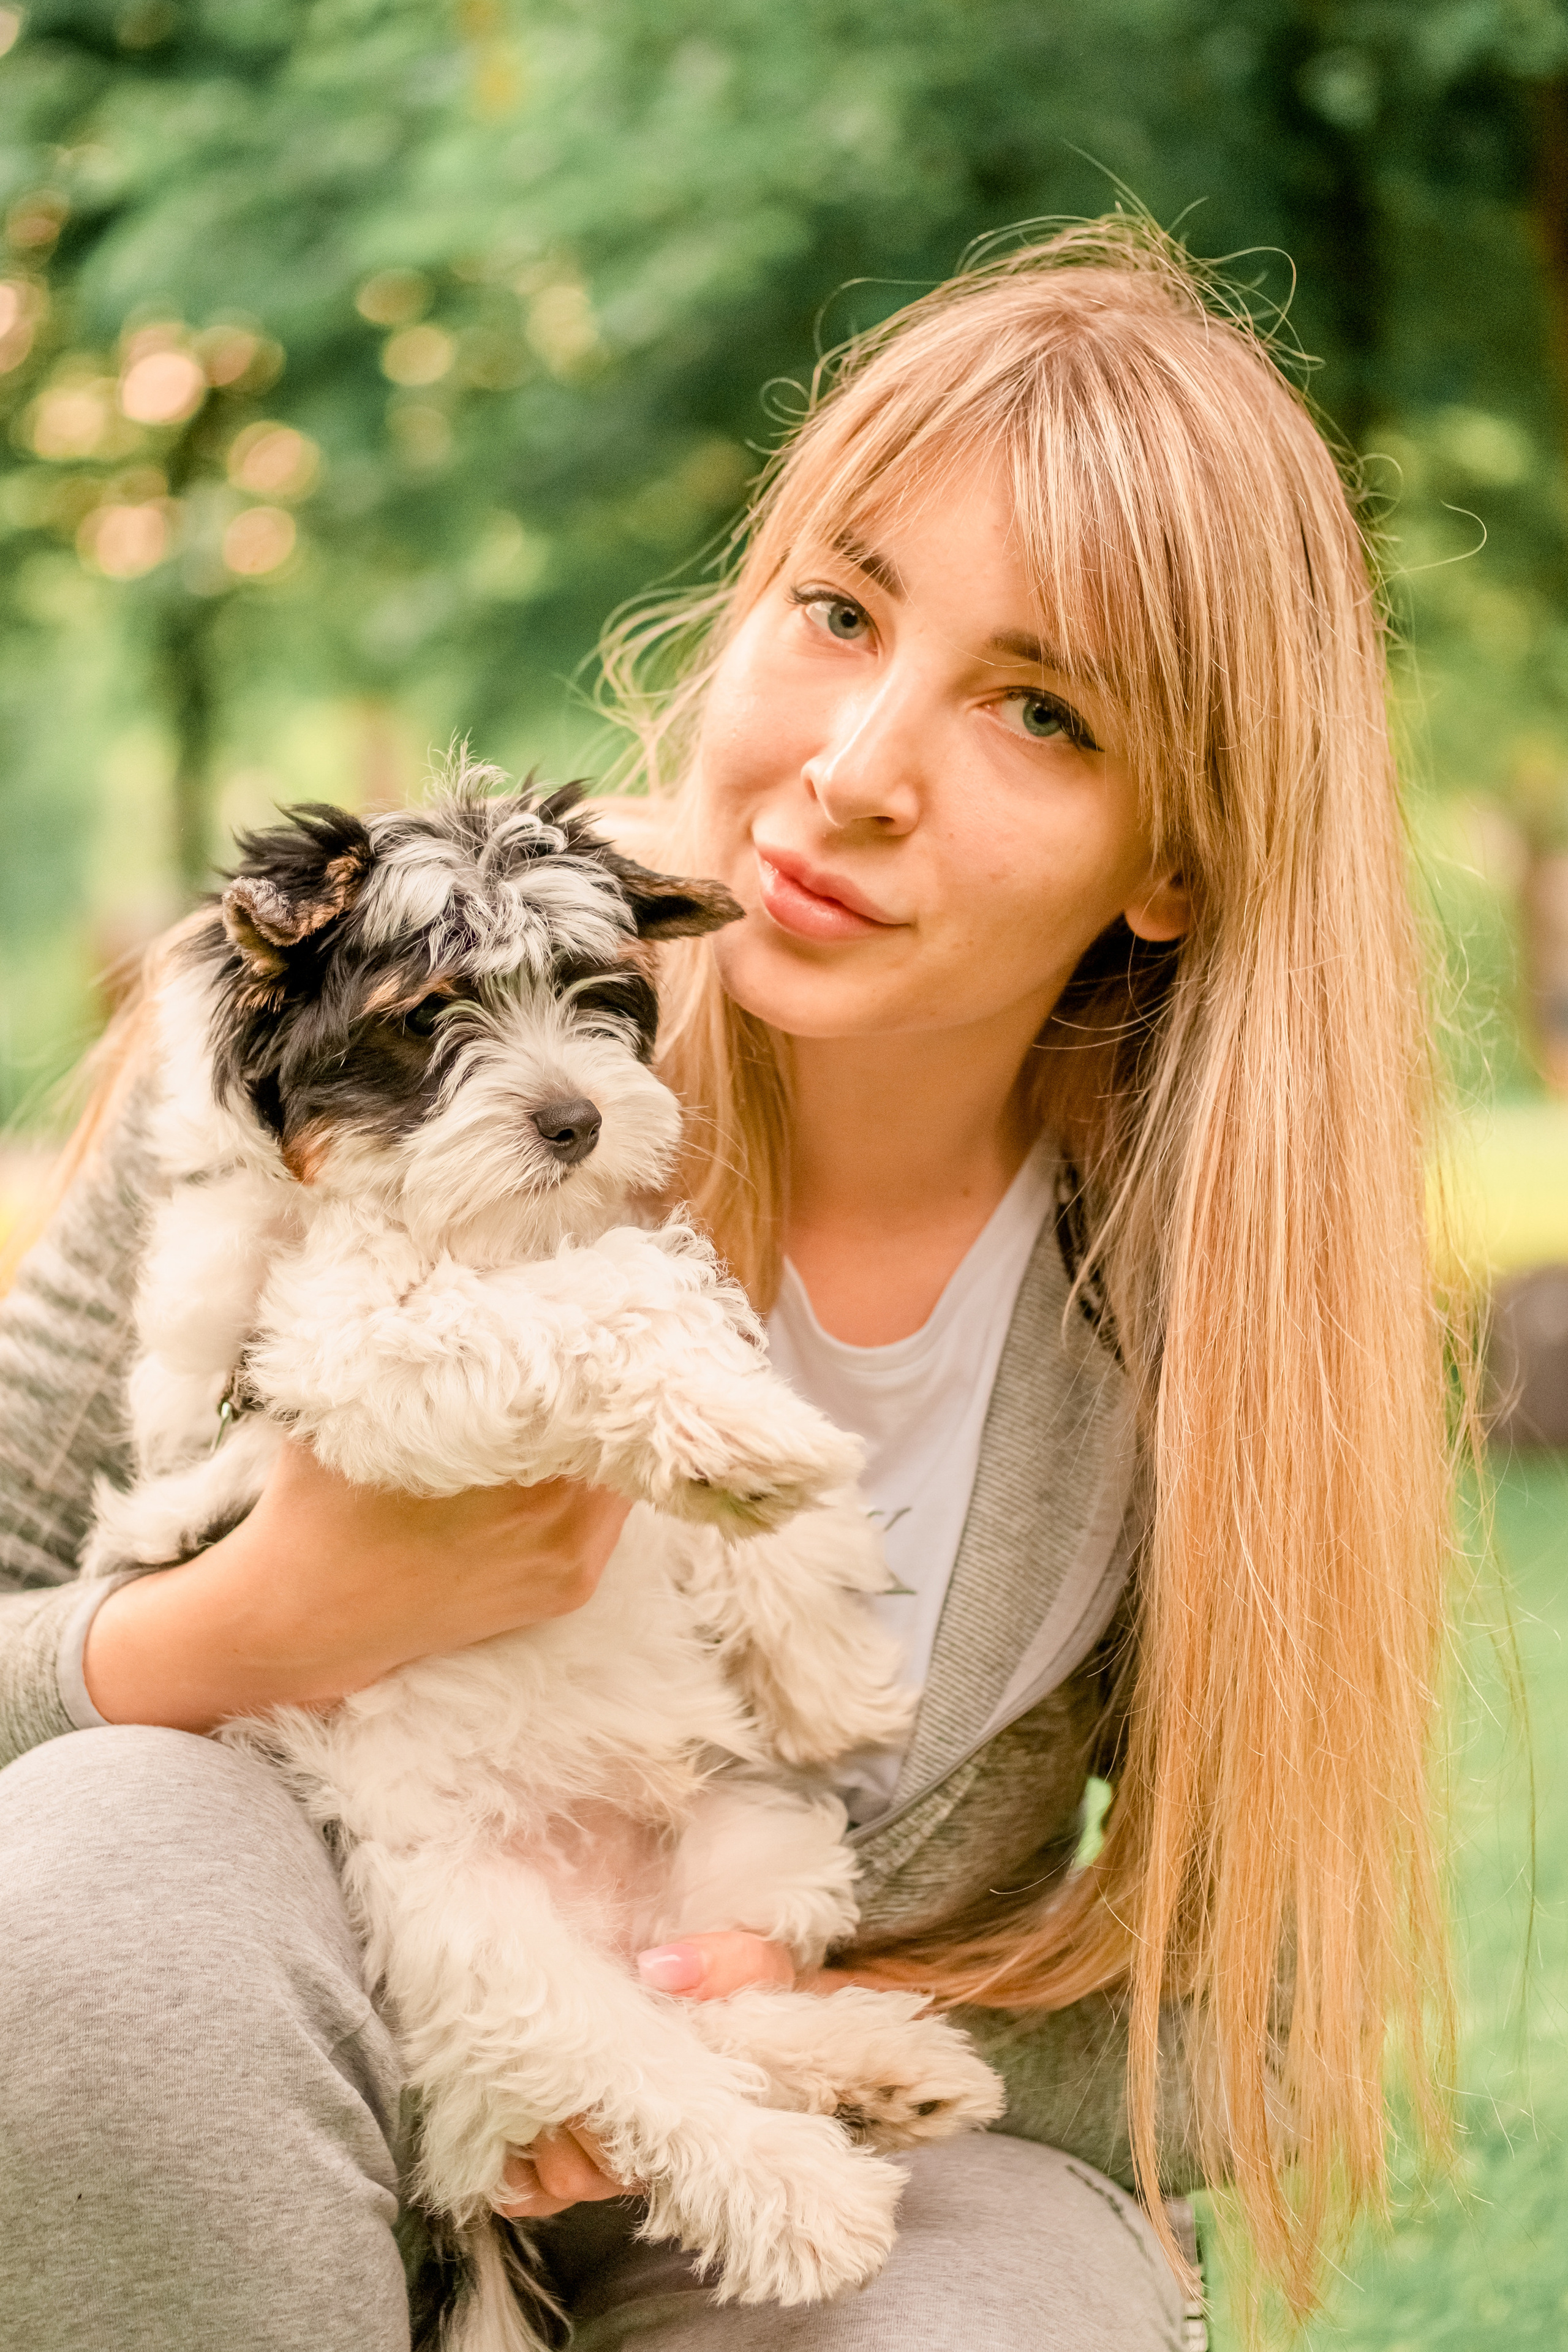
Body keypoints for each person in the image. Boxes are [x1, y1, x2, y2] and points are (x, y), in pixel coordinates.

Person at [0, 218, 1460, 2352]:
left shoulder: (1206, 1321)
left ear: (1176, 856)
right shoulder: (340, 1052)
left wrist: (794, 2003)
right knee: (112, 1878)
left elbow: (1289, 2031)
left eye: (1039, 708)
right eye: (839, 608)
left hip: (807, 2175)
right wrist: (238, 1629)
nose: (858, 764)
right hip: (254, 2085)